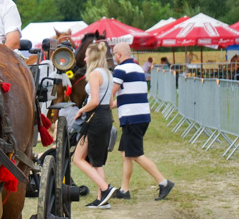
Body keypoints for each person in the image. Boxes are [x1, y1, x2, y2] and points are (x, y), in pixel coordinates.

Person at [111, 42, 174, 201]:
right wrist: (110, 105)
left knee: (136, 154)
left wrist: (99, 104)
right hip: (140, 116)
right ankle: (124, 190)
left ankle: (163, 182)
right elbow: (127, 96)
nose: (114, 57)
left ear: (119, 54)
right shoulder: (138, 69)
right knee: (126, 153)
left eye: (114, 54)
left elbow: (111, 93)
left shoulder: (120, 70)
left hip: (132, 118)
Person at [72, 42, 117, 209]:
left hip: (95, 119)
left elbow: (94, 101)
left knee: (78, 158)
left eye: (86, 55)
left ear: (91, 58)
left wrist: (80, 110)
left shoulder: (93, 75)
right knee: (97, 162)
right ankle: (102, 200)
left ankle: (105, 189)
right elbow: (111, 103)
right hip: (105, 117)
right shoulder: (108, 74)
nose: (83, 57)